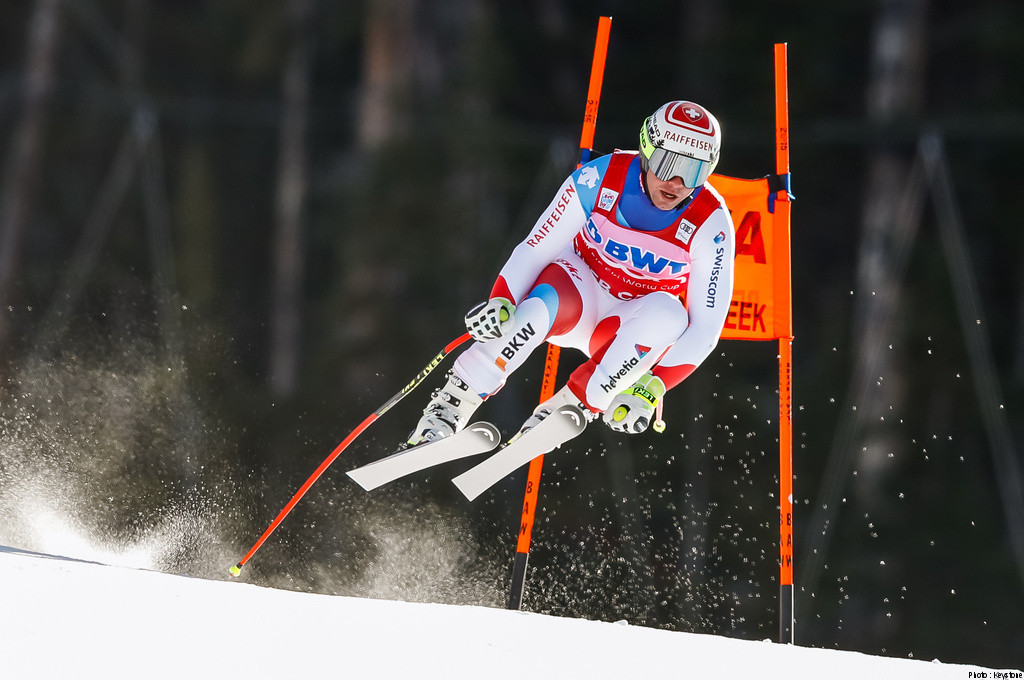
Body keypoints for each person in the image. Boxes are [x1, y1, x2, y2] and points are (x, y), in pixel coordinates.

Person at [407, 100, 736, 448]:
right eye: (670, 163)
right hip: (576, 293)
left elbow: (706, 327)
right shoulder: (599, 178)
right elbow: (535, 248)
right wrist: (501, 301)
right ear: (647, 149)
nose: (677, 182)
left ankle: (566, 411)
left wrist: (651, 388)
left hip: (626, 326)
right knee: (530, 311)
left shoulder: (711, 222)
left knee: (671, 315)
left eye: (695, 171)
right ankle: (449, 409)